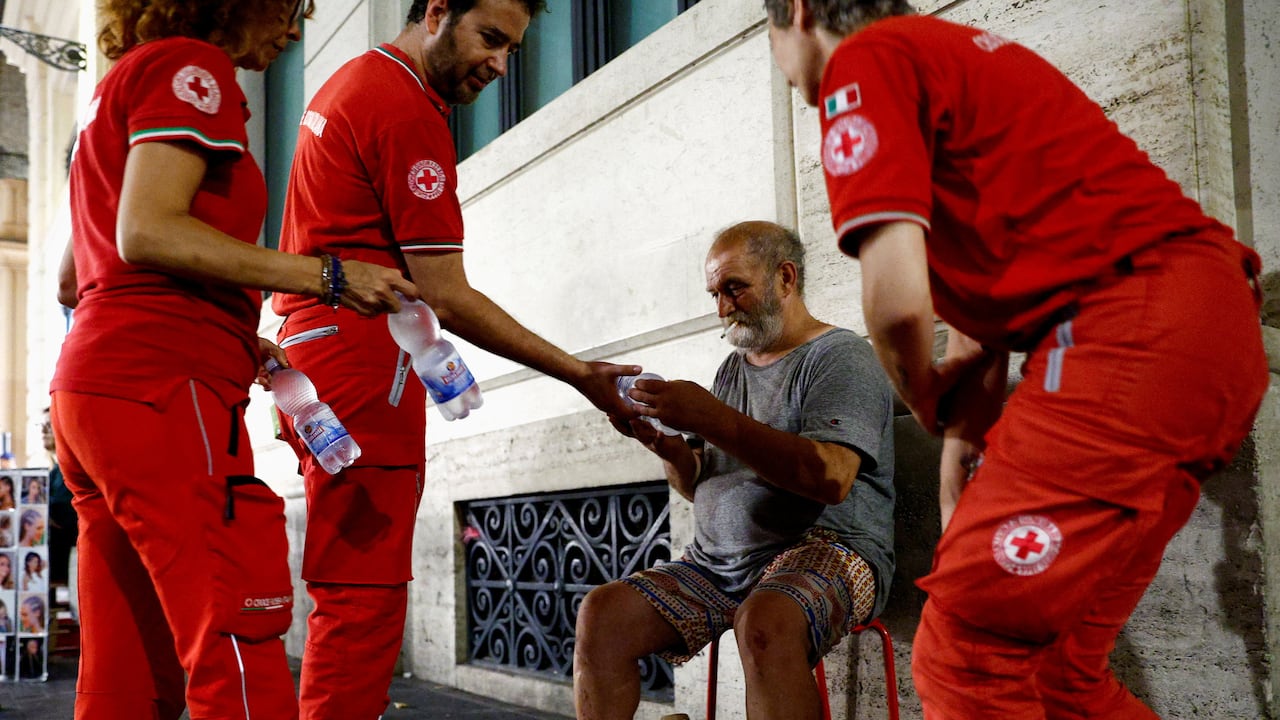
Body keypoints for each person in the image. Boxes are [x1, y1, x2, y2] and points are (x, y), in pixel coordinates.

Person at [764, 2, 1269, 718]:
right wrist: (959, 465)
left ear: (798, 10)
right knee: (1060, 672)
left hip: (1132, 328)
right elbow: (980, 337)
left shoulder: (867, 57)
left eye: (774, 43)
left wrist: (923, 396)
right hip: (1203, 333)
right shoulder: (950, 59)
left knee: (966, 651)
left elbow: (901, 307)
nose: (786, 75)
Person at [270, 1, 641, 717]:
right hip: (358, 362)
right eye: (491, 38)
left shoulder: (351, 79)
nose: (501, 64)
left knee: (348, 588)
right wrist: (581, 373)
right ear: (438, 10)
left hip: (314, 351)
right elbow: (446, 292)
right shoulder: (406, 109)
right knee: (363, 597)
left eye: (512, 48)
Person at [49, 1, 420, 718]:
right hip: (161, 388)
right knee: (235, 635)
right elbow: (148, 231)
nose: (293, 27)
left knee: (128, 666)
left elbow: (77, 277)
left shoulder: (116, 88)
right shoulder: (193, 67)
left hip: (95, 395)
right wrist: (330, 276)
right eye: (285, 5)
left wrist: (230, 324)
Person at [573, 222, 897, 720]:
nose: (722, 307)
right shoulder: (733, 369)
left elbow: (832, 479)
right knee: (603, 615)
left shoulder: (840, 357)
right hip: (717, 566)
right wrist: (666, 445)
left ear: (785, 278)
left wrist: (712, 417)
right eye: (715, 294)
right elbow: (696, 484)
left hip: (829, 550)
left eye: (734, 288)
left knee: (765, 619)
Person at [41, 408, 76, 595]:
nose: (44, 431)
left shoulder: (69, 468)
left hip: (65, 562)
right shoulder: (55, 470)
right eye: (43, 425)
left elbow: (64, 515)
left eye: (49, 425)